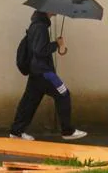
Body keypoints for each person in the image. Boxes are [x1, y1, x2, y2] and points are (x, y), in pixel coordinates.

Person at [9, 10, 87, 141]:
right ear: (47, 11)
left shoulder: (37, 25)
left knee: (29, 102)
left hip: (36, 72)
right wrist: (57, 44)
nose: (56, 10)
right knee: (64, 94)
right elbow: (40, 50)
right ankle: (67, 131)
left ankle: (16, 132)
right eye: (54, 9)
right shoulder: (40, 27)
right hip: (44, 72)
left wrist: (55, 44)